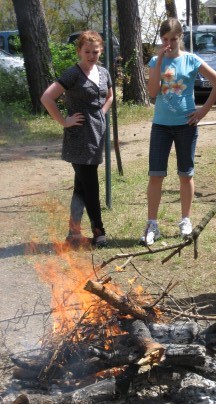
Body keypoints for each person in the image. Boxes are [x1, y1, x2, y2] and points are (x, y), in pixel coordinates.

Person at [140, 18, 216, 246]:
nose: (169, 44)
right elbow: (152, 93)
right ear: (161, 39)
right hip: (161, 125)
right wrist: (158, 61)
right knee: (156, 174)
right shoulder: (154, 61)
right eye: (165, 39)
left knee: (186, 174)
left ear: (181, 38)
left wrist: (202, 111)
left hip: (186, 125)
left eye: (173, 39)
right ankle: (152, 224)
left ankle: (185, 220)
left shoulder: (191, 60)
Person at [41, 30, 113, 248]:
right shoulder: (73, 73)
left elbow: (109, 96)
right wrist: (64, 121)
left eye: (95, 52)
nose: (92, 56)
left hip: (97, 134)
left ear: (100, 51)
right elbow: (47, 97)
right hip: (78, 137)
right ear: (79, 51)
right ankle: (98, 230)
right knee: (90, 185)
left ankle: (74, 233)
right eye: (87, 51)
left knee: (81, 186)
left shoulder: (103, 72)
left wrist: (102, 112)